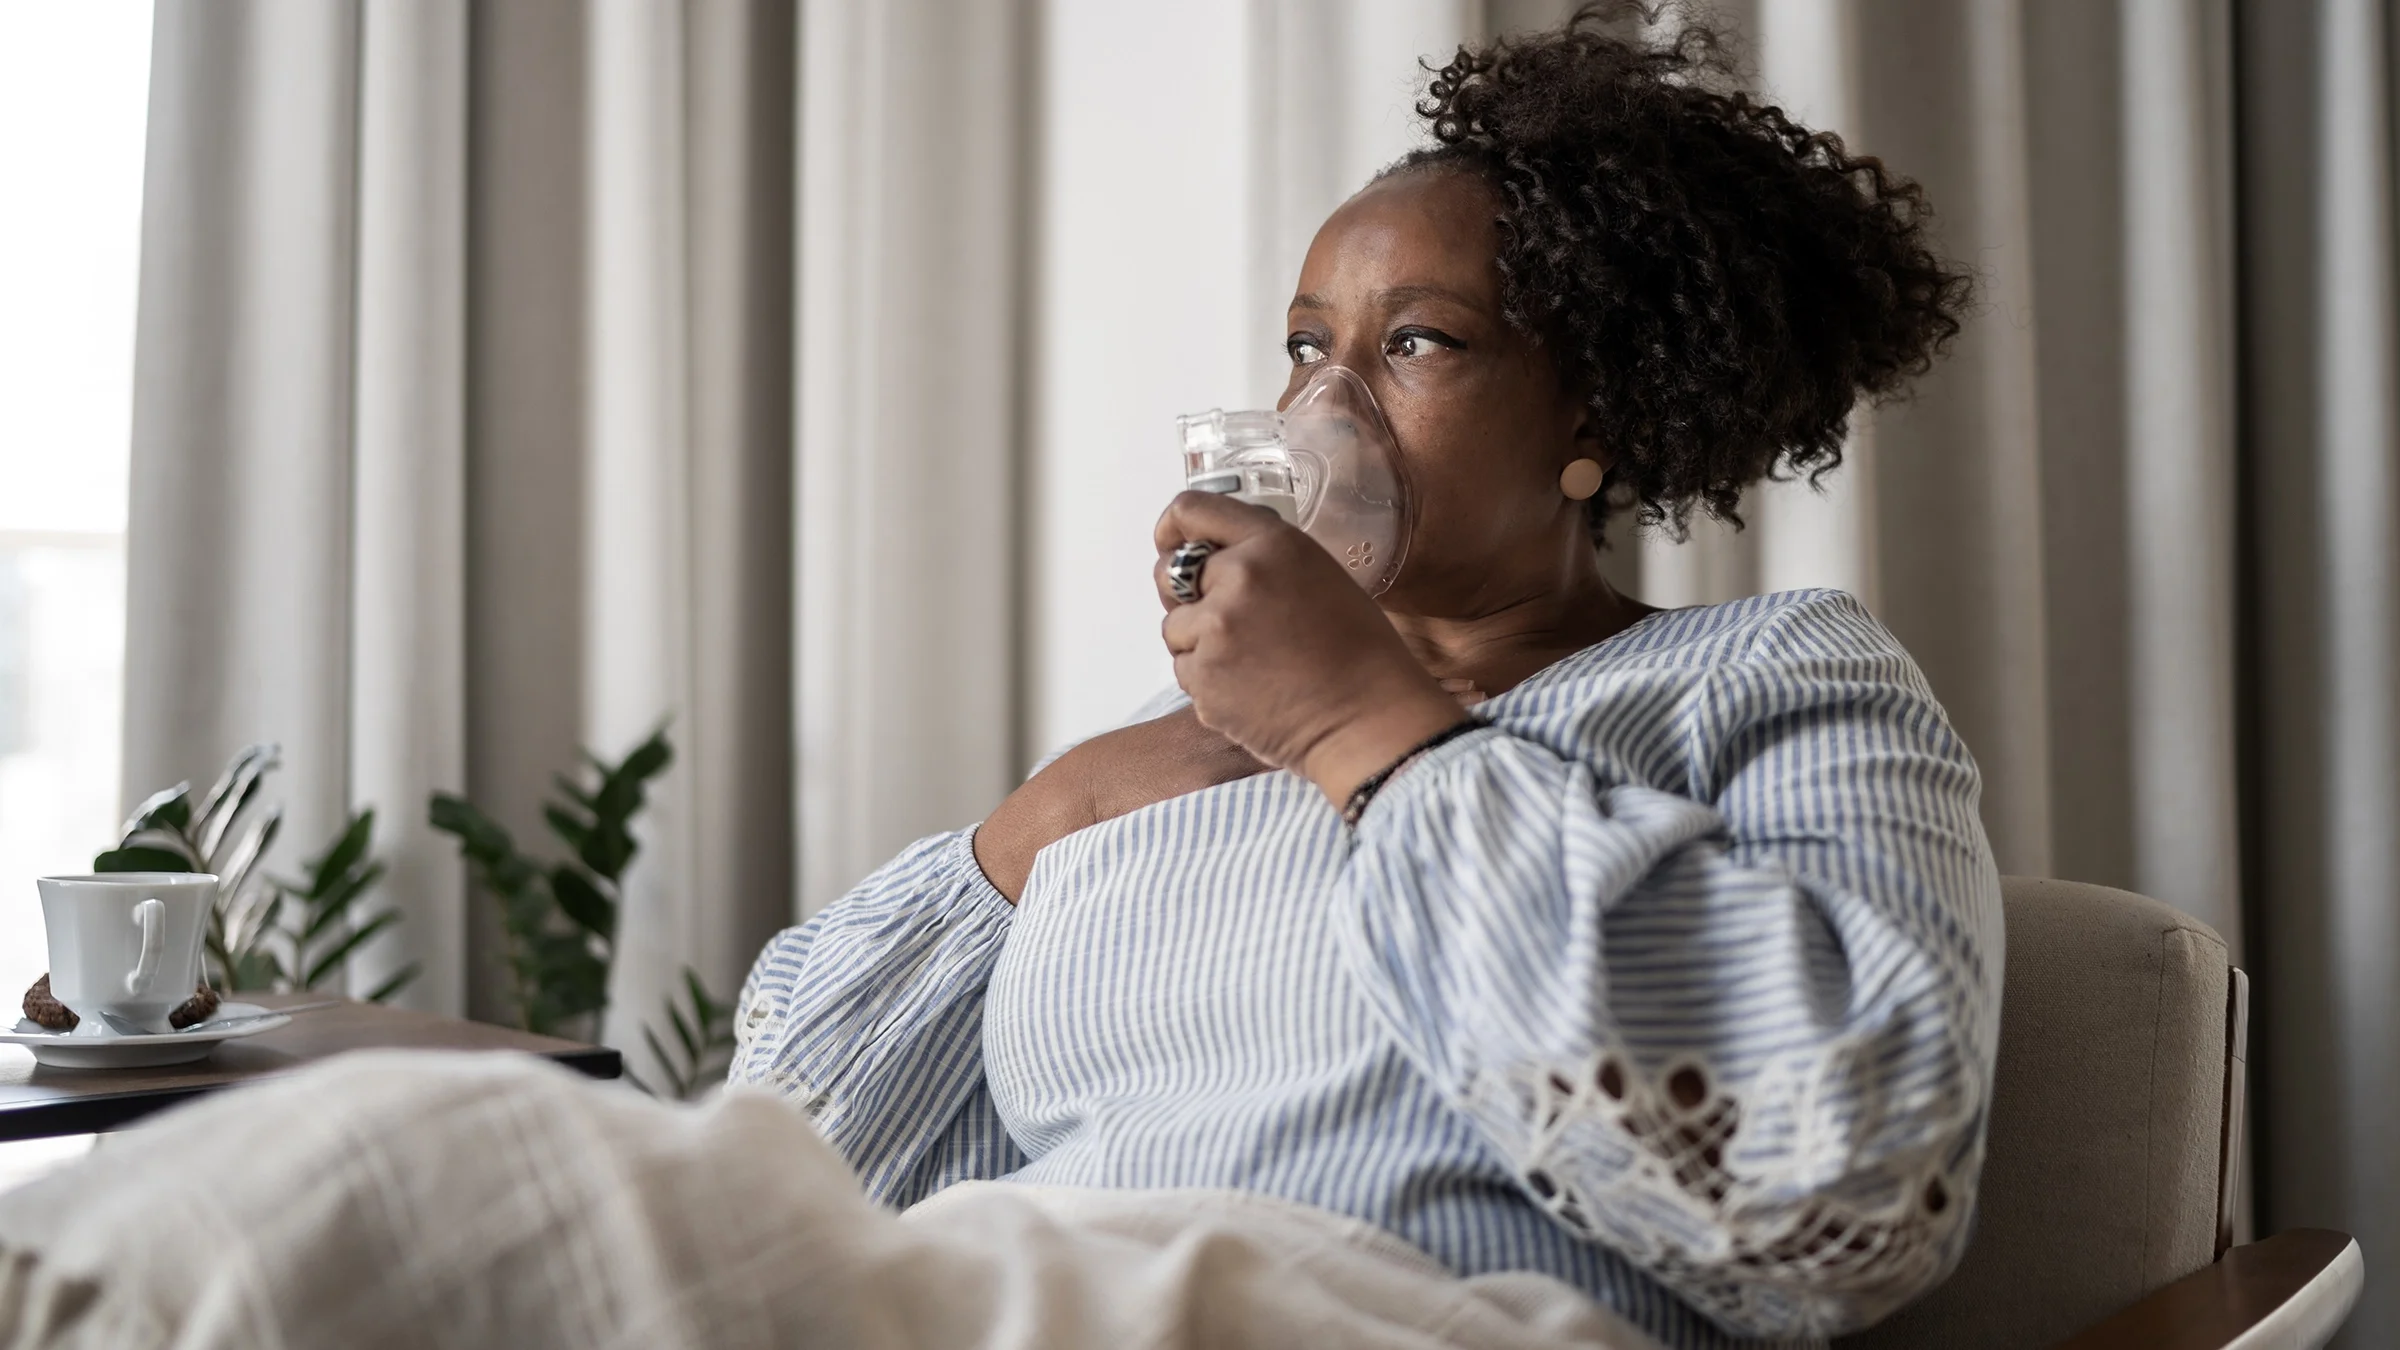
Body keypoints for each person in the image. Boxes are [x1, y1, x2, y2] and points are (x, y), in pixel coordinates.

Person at [0, 7, 1992, 1350]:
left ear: (1602, 417)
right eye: (1305, 342)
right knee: (353, 1191)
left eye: (1415, 345)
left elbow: (1852, 1186)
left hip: (1408, 1318)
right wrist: (1038, 831)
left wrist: (1370, 735)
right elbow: (771, 1160)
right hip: (1006, 1289)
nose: (1318, 397)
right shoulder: (1143, 771)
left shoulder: (1771, 677)